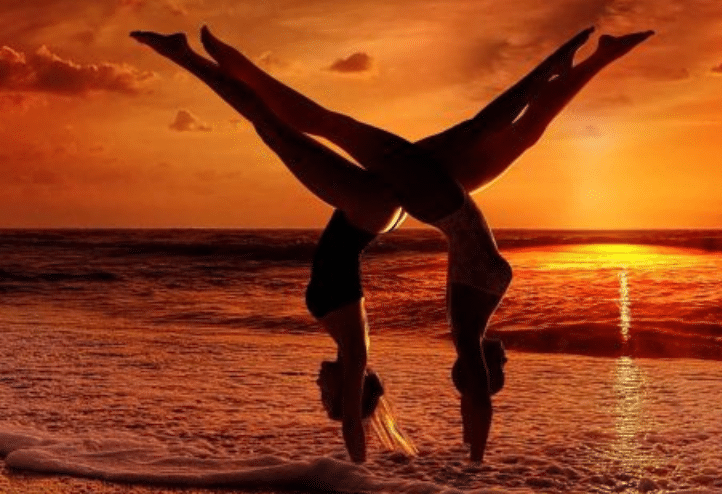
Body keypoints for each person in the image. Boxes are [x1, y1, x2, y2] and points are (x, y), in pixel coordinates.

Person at [131, 25, 652, 462]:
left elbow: (474, 393)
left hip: (437, 207)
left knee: (502, 129)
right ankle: (569, 62)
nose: (464, 380)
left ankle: (580, 61)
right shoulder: (459, 328)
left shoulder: (478, 304)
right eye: (473, 379)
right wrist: (475, 460)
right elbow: (474, 396)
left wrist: (470, 440)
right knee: (330, 125)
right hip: (430, 206)